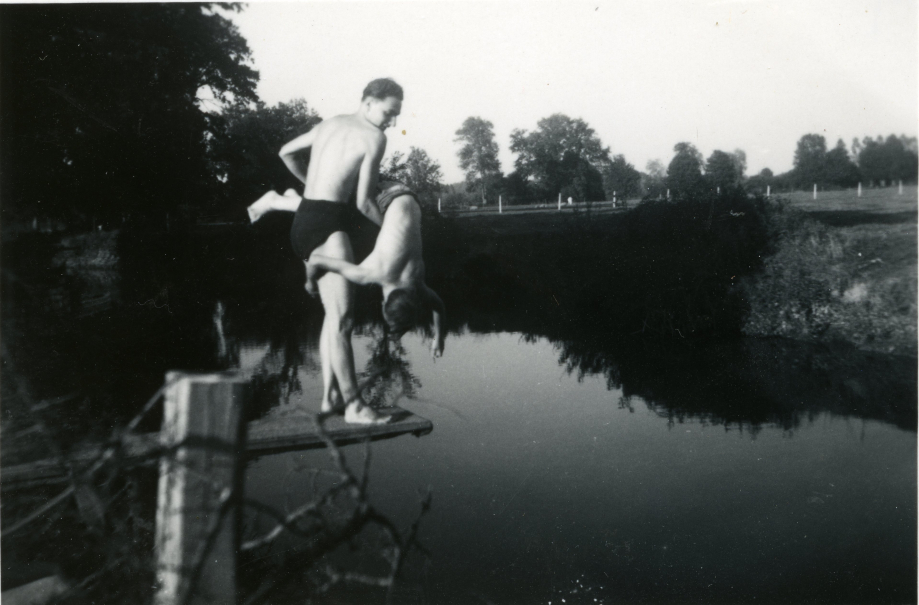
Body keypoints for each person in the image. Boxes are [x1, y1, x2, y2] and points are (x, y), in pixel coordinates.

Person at [247, 78, 403, 425]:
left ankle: (331, 395)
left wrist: (312, 186)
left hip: (304, 223)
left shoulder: (329, 123)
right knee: (344, 320)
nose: (392, 122)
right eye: (389, 113)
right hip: (329, 228)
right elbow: (363, 202)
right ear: (367, 102)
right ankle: (354, 406)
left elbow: (285, 152)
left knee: (334, 317)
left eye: (395, 117)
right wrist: (394, 231)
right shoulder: (374, 137)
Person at [307, 182, 446, 359]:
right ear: (383, 303)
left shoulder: (416, 286)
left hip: (410, 195)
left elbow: (439, 307)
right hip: (384, 196)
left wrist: (439, 338)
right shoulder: (368, 274)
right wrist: (310, 282)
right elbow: (314, 260)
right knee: (340, 199)